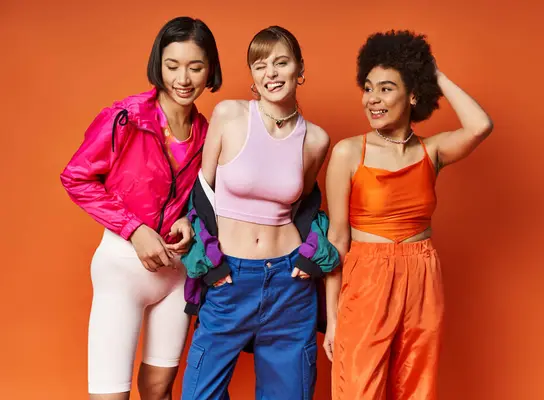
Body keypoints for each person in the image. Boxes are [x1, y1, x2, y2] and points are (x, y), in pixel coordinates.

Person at [59, 16, 222, 400]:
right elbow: (76, 177)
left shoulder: (209, 132)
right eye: (172, 66)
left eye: (195, 67)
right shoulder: (125, 117)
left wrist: (190, 220)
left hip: (177, 273)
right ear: (158, 65)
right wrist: (135, 229)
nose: (184, 78)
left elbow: (209, 196)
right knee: (110, 395)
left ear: (210, 70)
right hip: (122, 269)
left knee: (159, 389)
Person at [325, 30, 494, 400]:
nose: (373, 99)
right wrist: (333, 319)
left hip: (422, 278)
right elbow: (337, 240)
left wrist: (436, 75)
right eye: (368, 88)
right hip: (366, 276)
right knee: (357, 389)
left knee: (416, 388)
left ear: (413, 94)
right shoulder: (347, 153)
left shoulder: (431, 151)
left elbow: (481, 126)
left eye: (386, 88)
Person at [180, 26, 339, 400]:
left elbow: (305, 208)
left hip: (290, 285)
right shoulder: (230, 115)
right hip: (230, 279)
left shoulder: (316, 139)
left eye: (281, 63)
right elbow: (202, 196)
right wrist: (212, 267)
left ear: (299, 68)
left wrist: (312, 259)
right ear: (252, 76)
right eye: (260, 65)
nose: (271, 73)